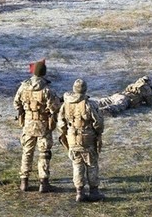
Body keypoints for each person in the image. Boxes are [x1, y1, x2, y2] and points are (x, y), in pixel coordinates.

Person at [14, 60, 60, 192]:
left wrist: (25, 111)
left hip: (28, 123)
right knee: (44, 153)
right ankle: (43, 183)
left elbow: (16, 104)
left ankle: (24, 181)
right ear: (44, 73)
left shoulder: (23, 87)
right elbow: (55, 107)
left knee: (27, 152)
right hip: (43, 125)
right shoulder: (47, 90)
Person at [57, 79, 105, 202]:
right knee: (91, 164)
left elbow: (61, 123)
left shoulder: (66, 104)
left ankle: (79, 192)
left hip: (72, 138)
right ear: (85, 89)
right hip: (87, 139)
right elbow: (98, 123)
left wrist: (65, 134)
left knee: (77, 164)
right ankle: (94, 191)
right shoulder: (89, 104)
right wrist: (98, 133)